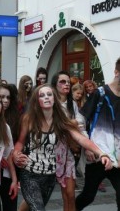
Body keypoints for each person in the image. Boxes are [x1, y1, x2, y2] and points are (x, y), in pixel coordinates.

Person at [13, 84, 112, 211]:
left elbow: (80, 138)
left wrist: (101, 153)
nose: (46, 97)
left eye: (49, 94)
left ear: (54, 99)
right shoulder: (29, 119)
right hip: (30, 173)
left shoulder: (61, 120)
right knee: (38, 208)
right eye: (42, 95)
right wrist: (16, 154)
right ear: (37, 101)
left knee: (31, 206)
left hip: (49, 176)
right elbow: (20, 142)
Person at [76, 58, 120, 210]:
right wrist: (87, 146)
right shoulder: (100, 93)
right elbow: (81, 119)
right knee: (88, 196)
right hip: (97, 155)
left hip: (118, 157)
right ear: (116, 72)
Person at [51, 71, 87, 211]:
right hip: (50, 153)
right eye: (62, 81)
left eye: (68, 82)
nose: (66, 84)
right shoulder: (50, 102)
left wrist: (87, 145)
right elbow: (55, 125)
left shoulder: (72, 103)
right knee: (42, 195)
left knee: (70, 195)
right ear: (55, 84)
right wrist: (71, 123)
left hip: (68, 153)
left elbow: (80, 123)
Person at [0, 83, 20, 211]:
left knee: (10, 205)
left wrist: (15, 154)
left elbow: (17, 144)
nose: (5, 101)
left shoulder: (15, 118)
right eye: (2, 97)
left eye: (8, 98)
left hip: (9, 169)